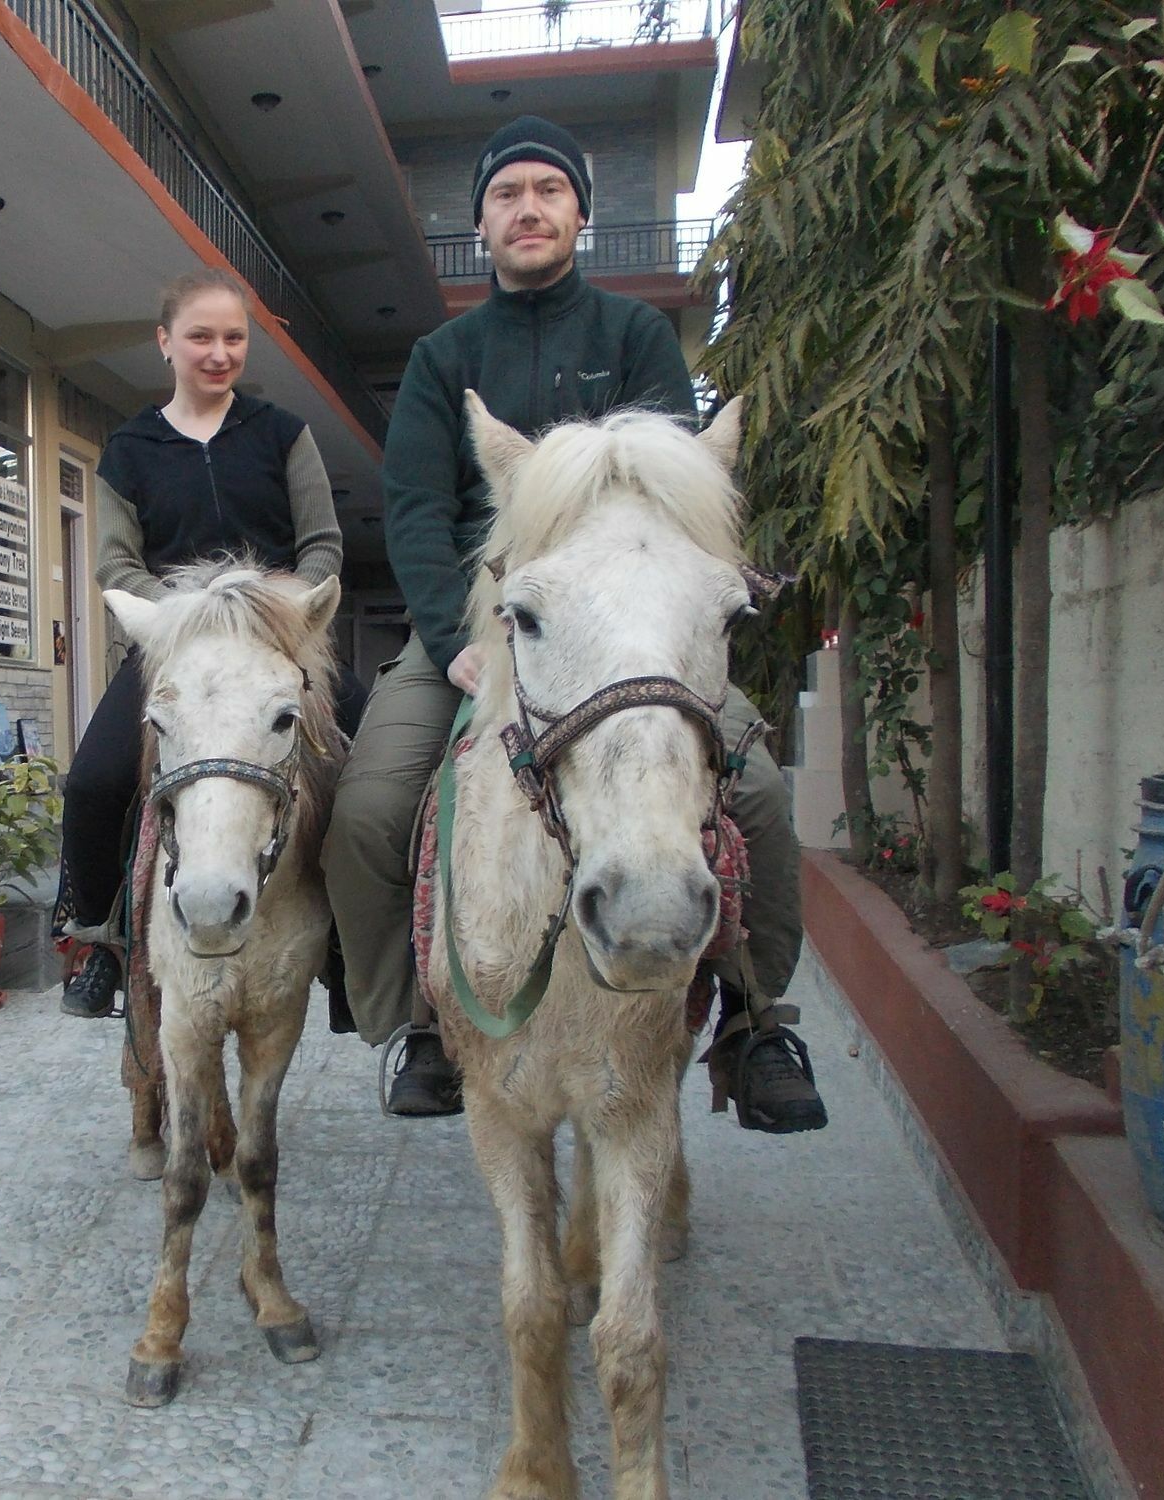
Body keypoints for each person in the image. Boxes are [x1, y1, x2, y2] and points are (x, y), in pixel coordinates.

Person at [320, 116, 826, 1132]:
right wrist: (452, 638)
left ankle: (752, 1018)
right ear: (481, 225)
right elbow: (416, 508)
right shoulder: (438, 357)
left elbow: (674, 496)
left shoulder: (636, 336)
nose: (527, 209)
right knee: (368, 812)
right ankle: (413, 1017)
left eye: (547, 190)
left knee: (760, 798)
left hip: (625, 622)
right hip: (472, 620)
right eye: (506, 195)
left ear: (579, 215)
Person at [58, 267, 366, 1019]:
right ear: (166, 343)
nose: (219, 352)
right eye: (201, 336)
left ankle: (350, 950)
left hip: (277, 645)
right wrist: (192, 614)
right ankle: (99, 937)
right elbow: (116, 565)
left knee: (370, 774)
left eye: (234, 337)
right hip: (173, 648)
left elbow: (323, 546)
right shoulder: (129, 448)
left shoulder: (283, 435)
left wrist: (275, 609)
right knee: (93, 784)